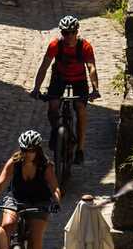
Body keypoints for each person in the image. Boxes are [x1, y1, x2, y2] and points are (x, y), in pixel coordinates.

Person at [30, 15, 100, 164]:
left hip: (79, 80)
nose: (69, 36)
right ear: (61, 33)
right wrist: (36, 88)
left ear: (77, 32)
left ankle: (80, 149)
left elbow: (91, 68)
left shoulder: (85, 46)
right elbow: (44, 66)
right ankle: (57, 131)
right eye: (65, 33)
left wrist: (95, 88)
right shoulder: (55, 45)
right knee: (53, 106)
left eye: (72, 32)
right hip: (59, 78)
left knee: (80, 108)